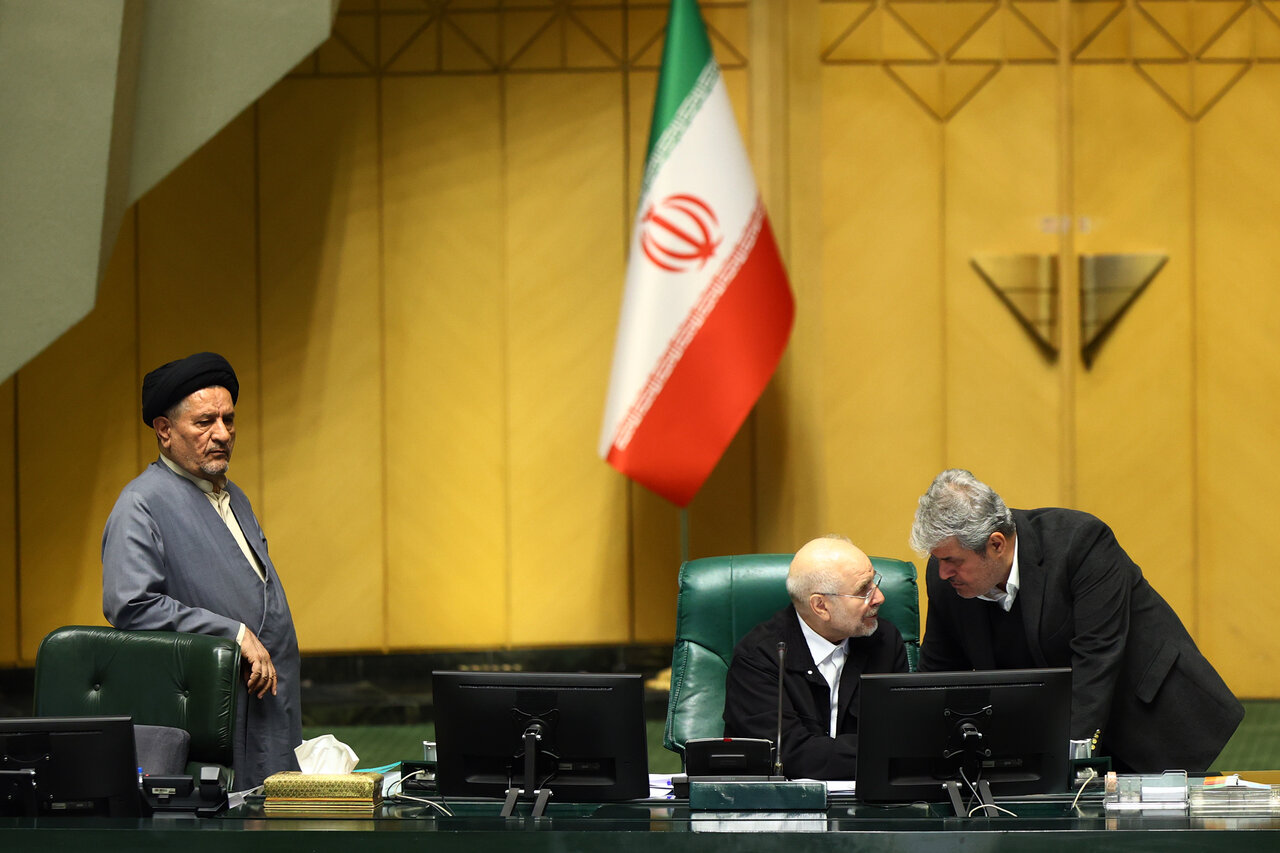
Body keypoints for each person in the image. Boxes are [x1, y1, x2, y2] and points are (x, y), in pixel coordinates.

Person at [910, 468, 1243, 773]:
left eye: (953, 560)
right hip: (1050, 728)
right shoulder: (944, 580)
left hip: (1147, 713)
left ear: (996, 544)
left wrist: (1067, 760)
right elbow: (938, 676)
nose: (943, 572)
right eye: (938, 560)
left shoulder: (1081, 543)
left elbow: (1097, 655)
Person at [101, 352, 301, 790]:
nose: (223, 434)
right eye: (205, 422)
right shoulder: (140, 504)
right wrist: (233, 633)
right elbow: (131, 605)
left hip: (269, 703)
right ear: (164, 430)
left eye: (229, 420)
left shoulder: (235, 496)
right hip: (214, 712)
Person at [722, 536, 908, 780]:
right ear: (820, 606)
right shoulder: (759, 658)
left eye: (875, 581)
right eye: (863, 590)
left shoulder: (884, 641)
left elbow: (902, 736)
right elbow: (786, 755)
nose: (879, 597)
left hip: (872, 796)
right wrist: (878, 753)